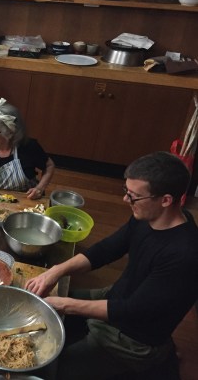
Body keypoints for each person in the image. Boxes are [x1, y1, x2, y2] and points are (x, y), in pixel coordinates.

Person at [25, 152, 198, 380]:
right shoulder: (148, 216)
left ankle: (156, 359)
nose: (126, 200)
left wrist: (66, 305)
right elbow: (107, 249)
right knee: (42, 303)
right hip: (118, 297)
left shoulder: (184, 255)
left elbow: (132, 311)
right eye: (126, 191)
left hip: (134, 337)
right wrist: (56, 271)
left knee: (50, 370)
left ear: (166, 200)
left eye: (134, 196)